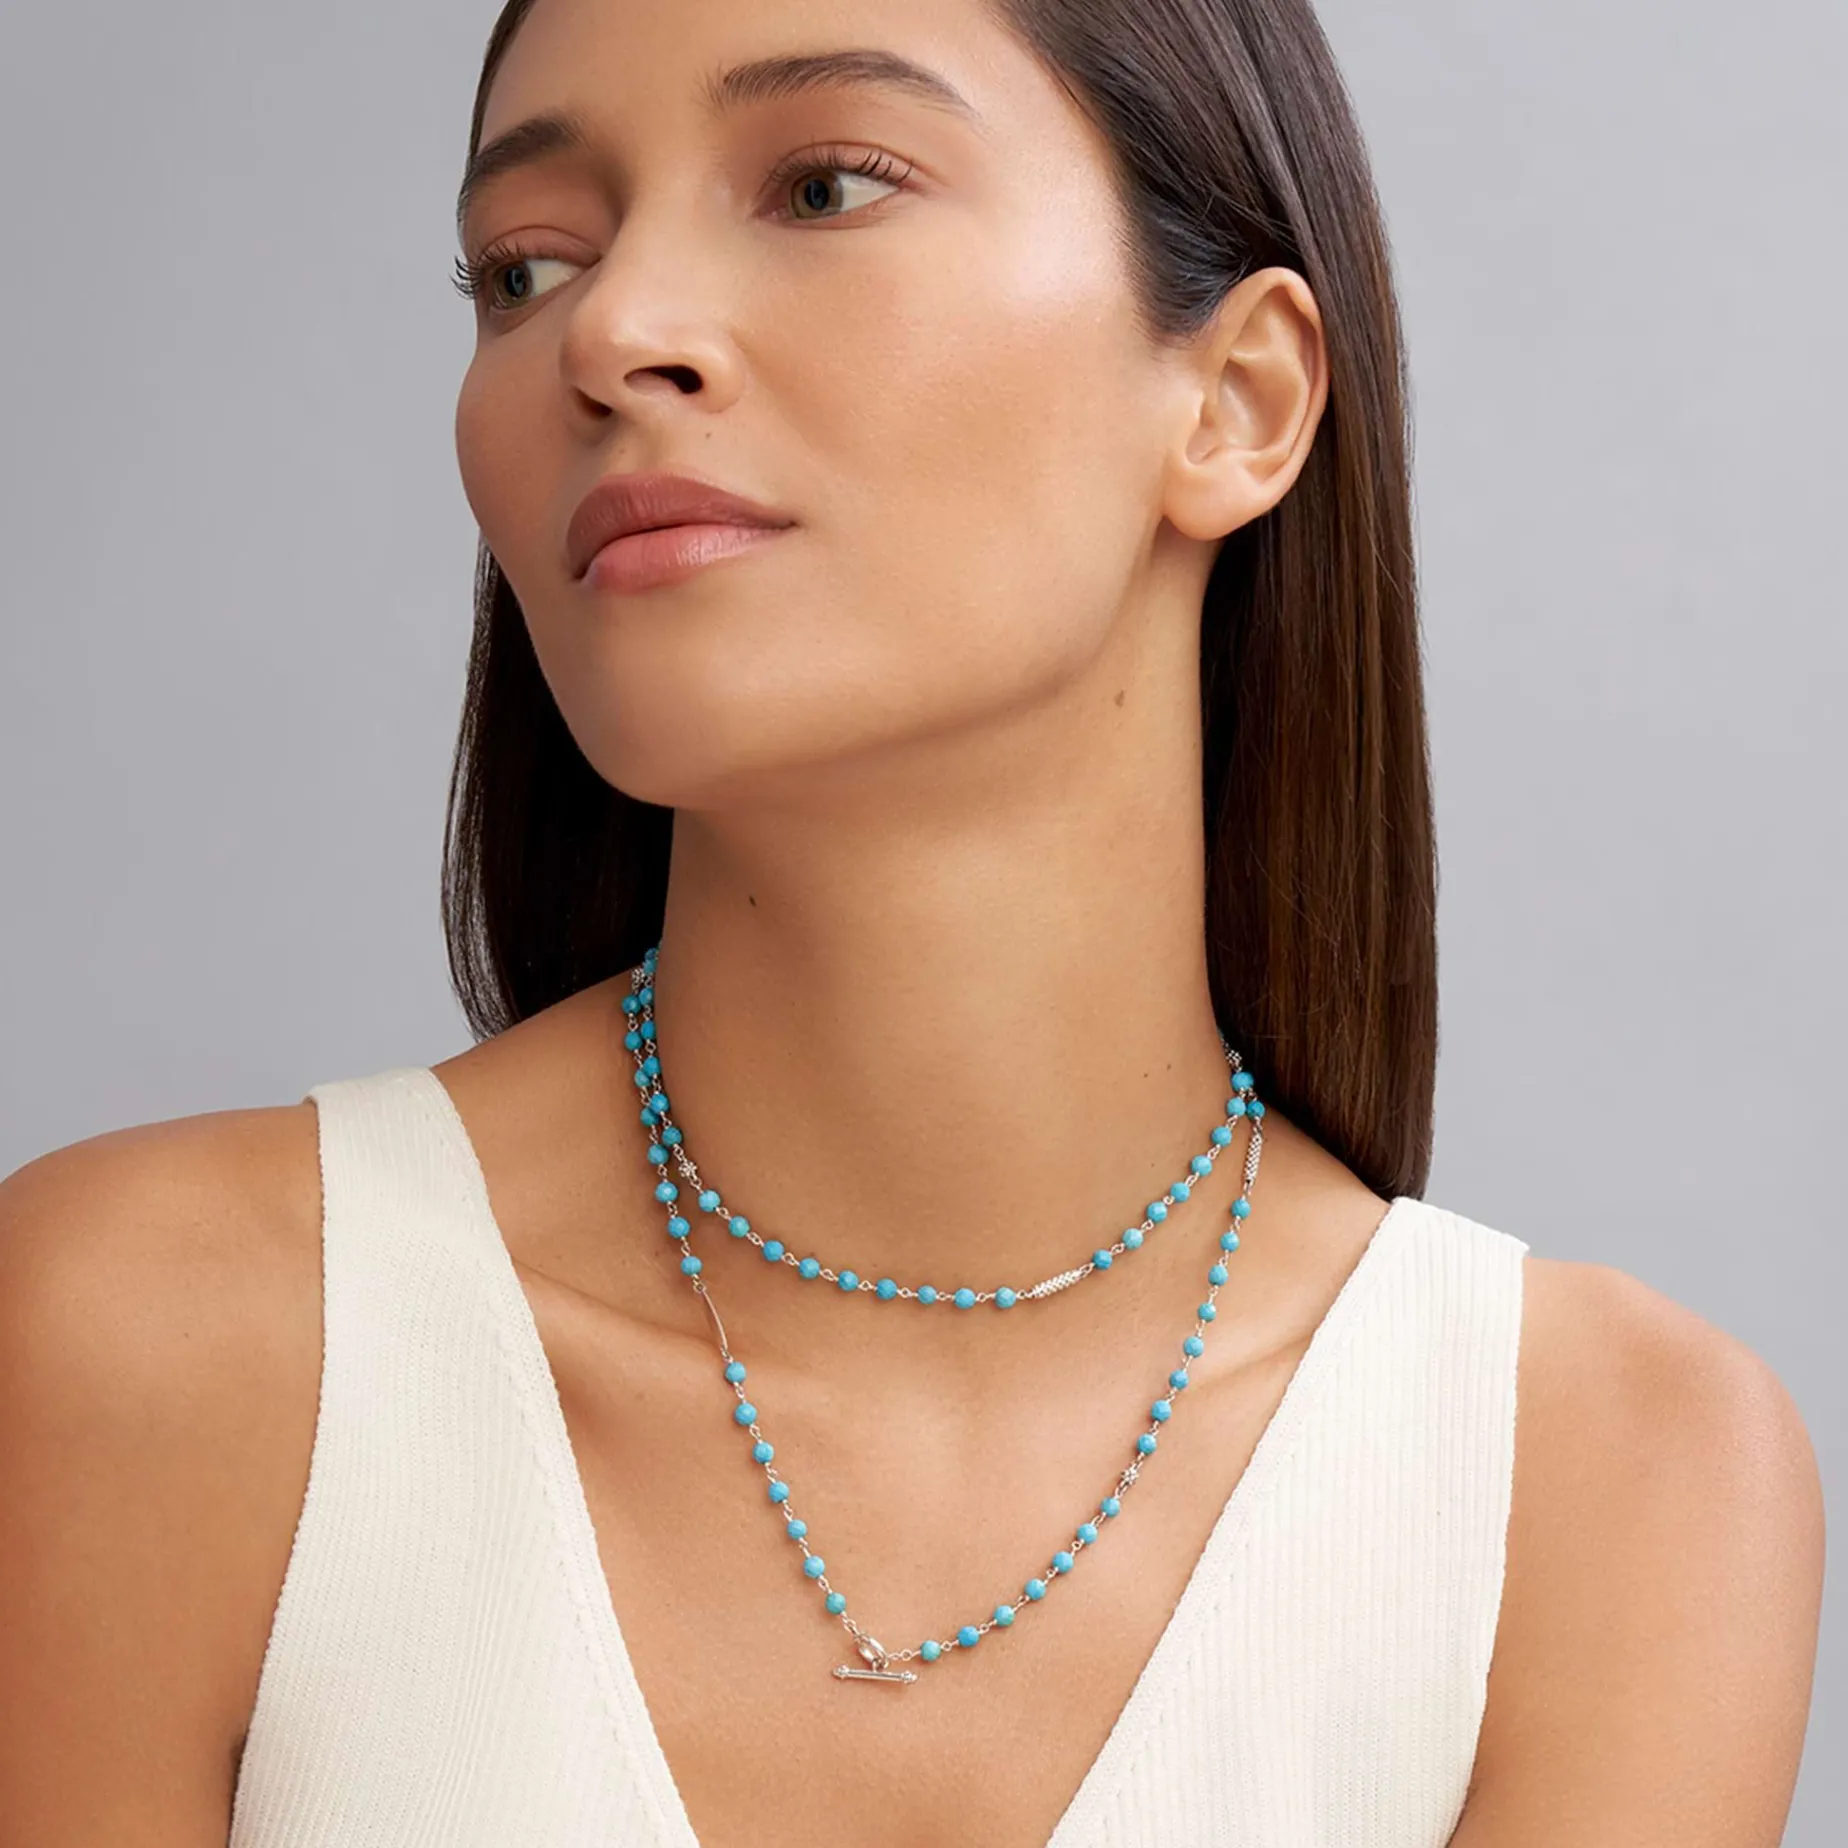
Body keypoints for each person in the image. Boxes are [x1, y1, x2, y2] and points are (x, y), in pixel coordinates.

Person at [0, 0, 1824, 1842]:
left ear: (1237, 400)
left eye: (823, 186)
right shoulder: (157, 1347)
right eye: (524, 266)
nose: (610, 333)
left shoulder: (1607, 1494)